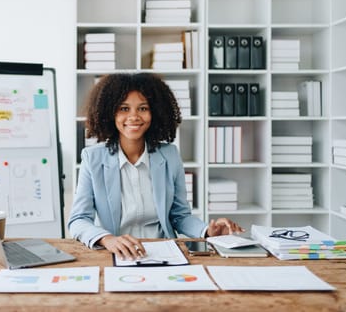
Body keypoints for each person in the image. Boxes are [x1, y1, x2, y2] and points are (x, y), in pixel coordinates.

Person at [68, 72, 244, 260]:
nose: (134, 117)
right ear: (110, 113)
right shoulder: (93, 157)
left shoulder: (169, 155)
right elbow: (78, 220)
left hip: (165, 251)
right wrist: (107, 239)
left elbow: (179, 215)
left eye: (143, 108)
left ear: (155, 112)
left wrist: (207, 231)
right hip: (117, 253)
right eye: (124, 108)